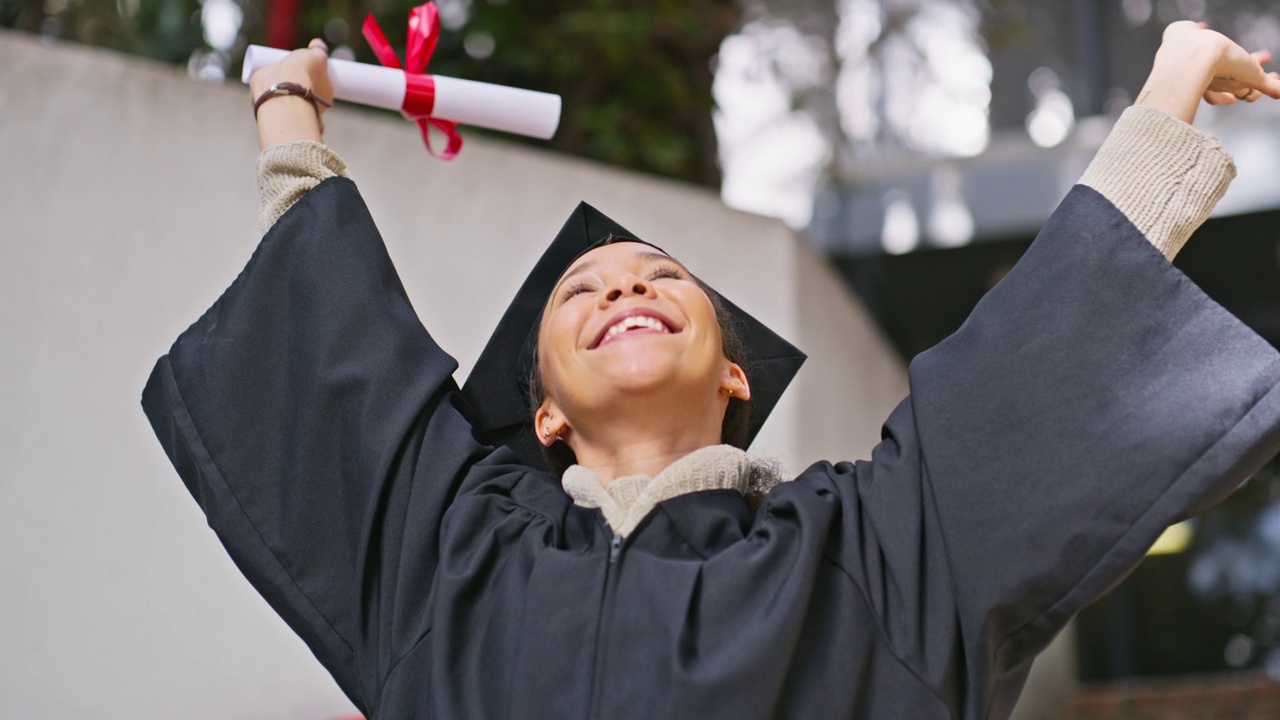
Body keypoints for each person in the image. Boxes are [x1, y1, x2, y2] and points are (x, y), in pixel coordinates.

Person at [143, 21, 1280, 720]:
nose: (623, 289)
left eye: (657, 279)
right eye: (581, 294)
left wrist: (1172, 82)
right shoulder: (454, 565)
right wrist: (285, 107)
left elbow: (1042, 345)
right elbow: (343, 359)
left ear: (733, 376)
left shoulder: (871, 553)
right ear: (539, 412)